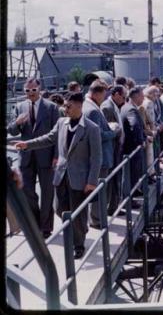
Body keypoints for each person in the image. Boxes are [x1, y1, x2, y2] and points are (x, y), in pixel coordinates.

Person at [15, 92, 102, 259]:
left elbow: (96, 158)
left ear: (79, 106)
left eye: (68, 106)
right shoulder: (62, 123)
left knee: (77, 212)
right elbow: (48, 139)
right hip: (61, 176)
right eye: (65, 106)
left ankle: (78, 244)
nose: (65, 109)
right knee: (60, 210)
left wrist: (92, 181)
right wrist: (27, 145)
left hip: (80, 178)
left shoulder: (91, 128)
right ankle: (78, 232)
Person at [7, 78, 61, 238]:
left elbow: (57, 135)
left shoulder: (51, 108)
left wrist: (57, 156)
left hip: (46, 156)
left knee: (47, 193)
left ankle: (46, 228)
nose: (30, 93)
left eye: (33, 90)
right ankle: (35, 223)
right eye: (27, 91)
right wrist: (17, 122)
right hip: (26, 158)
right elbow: (13, 131)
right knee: (28, 192)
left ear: (40, 89)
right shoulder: (19, 107)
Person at [83, 79, 118, 228]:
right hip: (100, 157)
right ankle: (97, 220)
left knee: (98, 188)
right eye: (104, 93)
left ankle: (96, 218)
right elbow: (98, 136)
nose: (105, 97)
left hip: (97, 156)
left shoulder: (88, 106)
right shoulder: (92, 110)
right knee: (99, 189)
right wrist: (114, 132)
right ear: (97, 93)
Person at [101, 85, 126, 215]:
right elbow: (110, 129)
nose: (124, 99)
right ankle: (111, 208)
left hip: (117, 147)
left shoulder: (114, 105)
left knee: (116, 177)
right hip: (112, 149)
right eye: (123, 96)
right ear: (115, 94)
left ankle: (114, 206)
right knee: (112, 179)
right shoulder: (107, 107)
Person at [121, 87, 146, 200]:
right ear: (135, 96)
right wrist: (141, 141)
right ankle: (129, 199)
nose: (143, 98)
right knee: (132, 174)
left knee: (131, 174)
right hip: (132, 148)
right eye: (142, 96)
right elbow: (135, 125)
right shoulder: (131, 109)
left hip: (128, 147)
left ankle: (133, 194)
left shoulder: (125, 107)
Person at [141, 86, 159, 180]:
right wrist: (154, 130)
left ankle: (148, 173)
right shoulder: (149, 103)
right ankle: (150, 174)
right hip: (148, 129)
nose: (157, 96)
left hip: (145, 129)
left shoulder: (144, 101)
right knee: (149, 154)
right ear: (152, 93)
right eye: (156, 94)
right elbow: (151, 119)